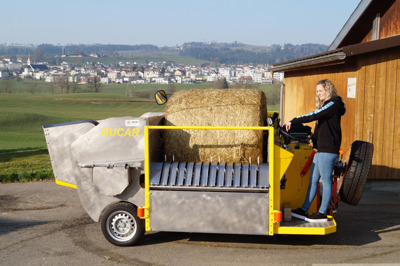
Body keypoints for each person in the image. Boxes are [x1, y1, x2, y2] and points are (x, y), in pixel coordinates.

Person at [282, 79, 346, 222]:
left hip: (328, 150)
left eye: (321, 91)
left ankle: (323, 212)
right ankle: (304, 210)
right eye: (317, 91)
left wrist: (293, 121)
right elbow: (319, 128)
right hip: (320, 150)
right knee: (313, 181)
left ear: (328, 90)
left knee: (327, 181)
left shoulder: (332, 104)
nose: (318, 94)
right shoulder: (328, 106)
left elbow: (313, 115)